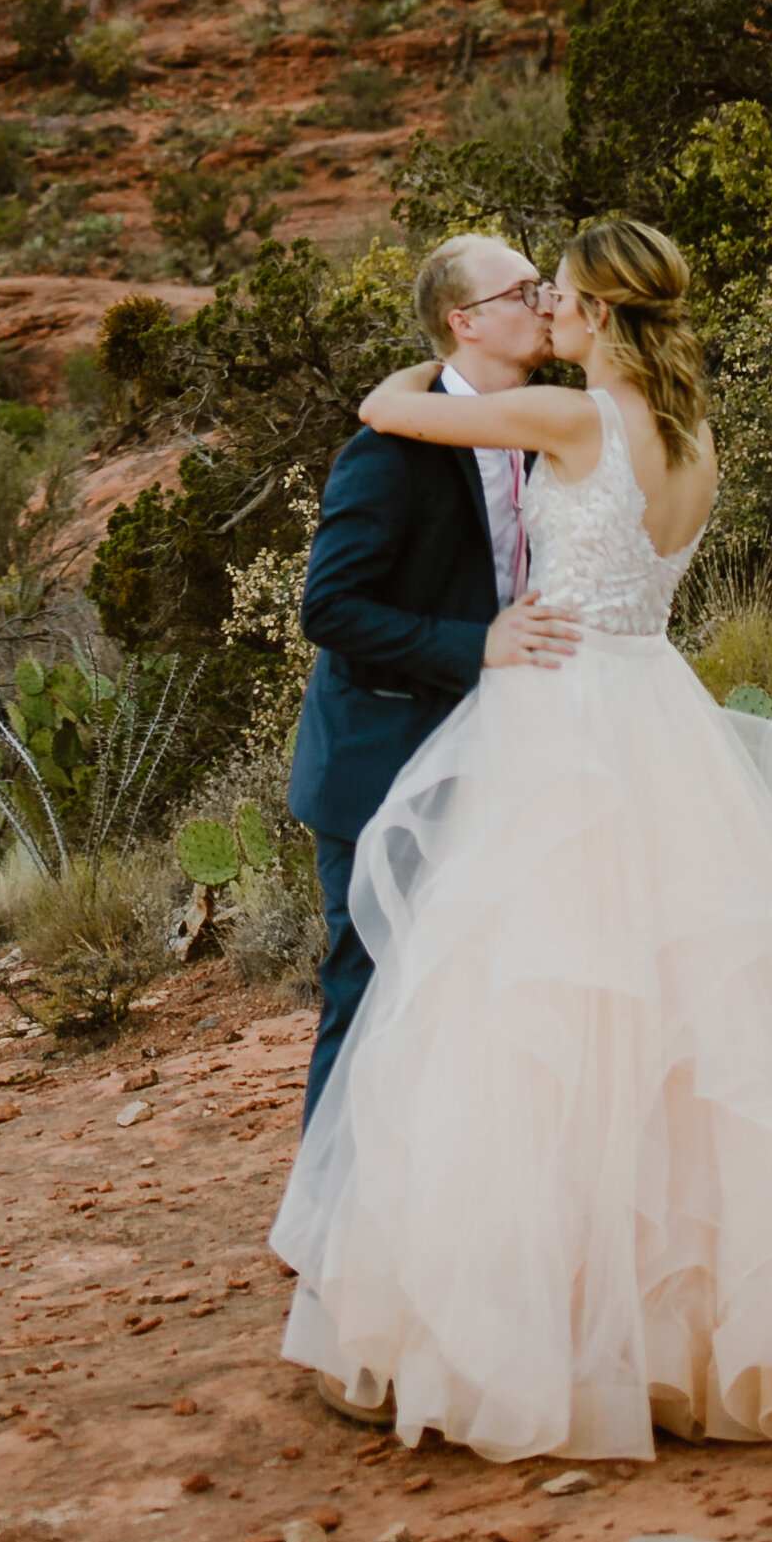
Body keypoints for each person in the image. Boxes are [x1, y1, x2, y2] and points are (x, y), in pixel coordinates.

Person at [271, 214, 772, 1461]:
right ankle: (729, 1305)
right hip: (656, 707)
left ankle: (539, 1311)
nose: (546, 309)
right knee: (700, 1009)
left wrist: (414, 370)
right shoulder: (694, 435)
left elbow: (392, 409)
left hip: (562, 718)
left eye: (560, 295)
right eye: (525, 293)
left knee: (526, 1000)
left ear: (593, 315)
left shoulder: (575, 420)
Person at [285, 231, 574, 1137]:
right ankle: (325, 1224)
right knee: (369, 983)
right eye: (524, 290)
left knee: (479, 985)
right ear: (466, 322)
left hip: (501, 760)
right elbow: (329, 609)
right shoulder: (385, 450)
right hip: (381, 758)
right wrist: (477, 646)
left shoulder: (547, 427)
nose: (542, 302)